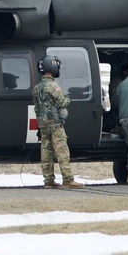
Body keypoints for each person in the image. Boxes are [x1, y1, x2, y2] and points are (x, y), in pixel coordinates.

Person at [33, 55, 83, 189]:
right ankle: (68, 179)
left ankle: (48, 180)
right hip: (55, 124)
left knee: (46, 151)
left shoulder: (37, 87)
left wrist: (40, 124)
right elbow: (62, 102)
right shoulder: (53, 85)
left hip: (43, 124)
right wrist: (68, 97)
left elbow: (37, 109)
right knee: (62, 151)